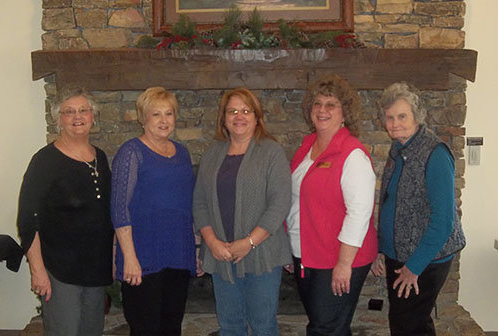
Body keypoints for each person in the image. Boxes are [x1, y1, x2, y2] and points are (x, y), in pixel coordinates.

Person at [193, 87, 292, 336]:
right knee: (230, 326)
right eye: (233, 111)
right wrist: (212, 242)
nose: (239, 116)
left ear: (257, 117)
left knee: (263, 326)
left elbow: (279, 203)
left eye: (246, 111)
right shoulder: (213, 154)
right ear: (224, 118)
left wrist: (249, 242)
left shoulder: (271, 152)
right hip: (221, 255)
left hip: (263, 255)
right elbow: (200, 202)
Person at [286, 74, 378, 335]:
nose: (322, 110)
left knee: (326, 328)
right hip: (307, 252)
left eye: (331, 104)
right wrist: (292, 246)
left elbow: (359, 213)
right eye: (317, 103)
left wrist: (344, 264)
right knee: (326, 325)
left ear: (344, 113)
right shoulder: (306, 147)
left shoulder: (353, 154)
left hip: (337, 257)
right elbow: (297, 201)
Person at [372, 82, 466, 336]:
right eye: (390, 117)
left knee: (407, 325)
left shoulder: (435, 154)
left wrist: (415, 267)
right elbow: (391, 201)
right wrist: (382, 248)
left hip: (426, 259)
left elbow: (444, 221)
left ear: (417, 116)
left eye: (402, 116)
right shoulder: (399, 149)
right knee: (410, 323)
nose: (394, 123)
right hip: (399, 255)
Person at [17, 88, 114, 336]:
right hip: (60, 271)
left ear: (93, 116)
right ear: (58, 119)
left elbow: (106, 214)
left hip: (95, 268)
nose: (77, 116)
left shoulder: (99, 158)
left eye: (83, 110)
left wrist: (112, 257)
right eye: (68, 112)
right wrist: (37, 269)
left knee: (91, 331)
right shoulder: (45, 161)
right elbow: (27, 219)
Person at [111, 87, 196, 335]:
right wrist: (130, 257)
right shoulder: (131, 152)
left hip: (177, 252)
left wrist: (195, 248)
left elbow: (185, 204)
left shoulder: (182, 152)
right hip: (142, 257)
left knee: (172, 327)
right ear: (143, 118)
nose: (163, 121)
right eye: (155, 114)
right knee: (145, 328)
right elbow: (119, 208)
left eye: (168, 114)